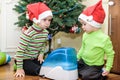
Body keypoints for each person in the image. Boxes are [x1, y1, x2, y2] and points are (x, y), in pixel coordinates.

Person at [77, 0, 115, 80]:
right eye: (82, 24)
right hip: (83, 61)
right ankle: (86, 72)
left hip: (95, 65)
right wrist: (77, 57)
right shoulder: (85, 35)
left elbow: (110, 54)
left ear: (94, 24)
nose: (82, 27)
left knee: (86, 76)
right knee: (72, 67)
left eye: (84, 24)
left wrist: (108, 68)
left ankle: (100, 74)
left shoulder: (104, 38)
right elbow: (83, 47)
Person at [14, 2, 53, 77]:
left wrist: (41, 54)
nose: (48, 23)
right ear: (36, 20)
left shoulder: (45, 32)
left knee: (46, 65)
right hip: (23, 59)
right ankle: (18, 66)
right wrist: (19, 68)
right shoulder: (28, 33)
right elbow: (20, 51)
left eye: (49, 20)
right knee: (37, 70)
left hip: (33, 58)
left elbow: (43, 44)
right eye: (44, 20)